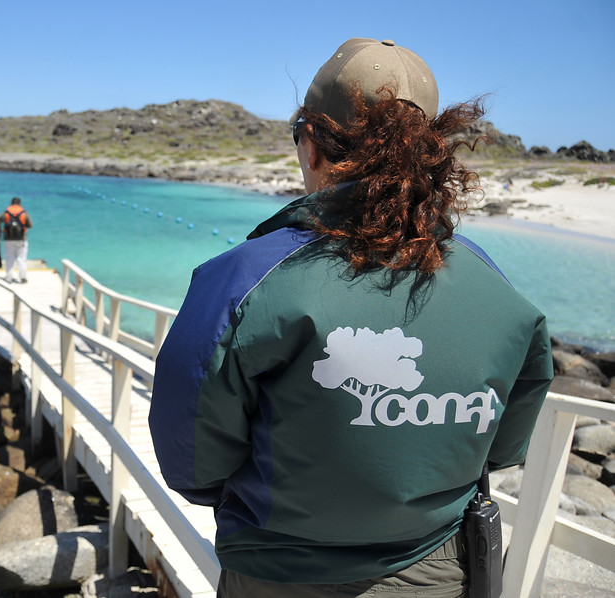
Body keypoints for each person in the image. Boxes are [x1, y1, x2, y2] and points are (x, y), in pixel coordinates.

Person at [148, 38, 553, 598]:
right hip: (439, 573)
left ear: (311, 143)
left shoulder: (247, 279)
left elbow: (188, 459)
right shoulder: (495, 285)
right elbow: (503, 447)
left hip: (282, 575)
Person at [0, 196, 33, 283]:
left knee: (9, 258)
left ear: (11, 203)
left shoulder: (6, 212)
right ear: (19, 203)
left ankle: (8, 277)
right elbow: (30, 225)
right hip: (21, 239)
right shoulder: (24, 213)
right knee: (21, 258)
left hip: (8, 239)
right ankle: (22, 277)